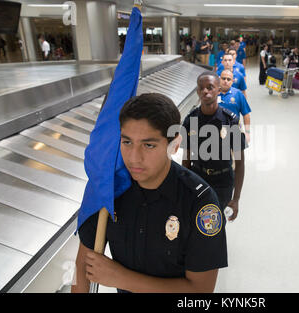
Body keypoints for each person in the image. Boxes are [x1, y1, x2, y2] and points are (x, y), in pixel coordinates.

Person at [73, 93, 227, 293]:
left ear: (175, 144)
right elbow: (82, 266)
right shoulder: (110, 192)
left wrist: (121, 278)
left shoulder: (200, 203)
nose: (134, 158)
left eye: (148, 145)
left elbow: (200, 290)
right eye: (127, 142)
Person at [181, 72, 246, 222]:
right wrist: (185, 187)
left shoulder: (231, 121)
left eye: (210, 87)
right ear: (197, 92)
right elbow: (186, 158)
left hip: (223, 182)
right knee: (197, 220)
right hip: (198, 179)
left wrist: (236, 199)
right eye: (201, 88)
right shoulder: (190, 120)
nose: (205, 91)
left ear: (218, 90)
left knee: (217, 222)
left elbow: (240, 162)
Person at [219, 69, 252, 143]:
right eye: (223, 78)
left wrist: (247, 133)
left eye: (228, 79)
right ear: (219, 79)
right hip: (216, 130)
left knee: (237, 154)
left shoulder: (238, 94)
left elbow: (246, 114)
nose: (226, 81)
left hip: (235, 129)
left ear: (232, 81)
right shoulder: (213, 94)